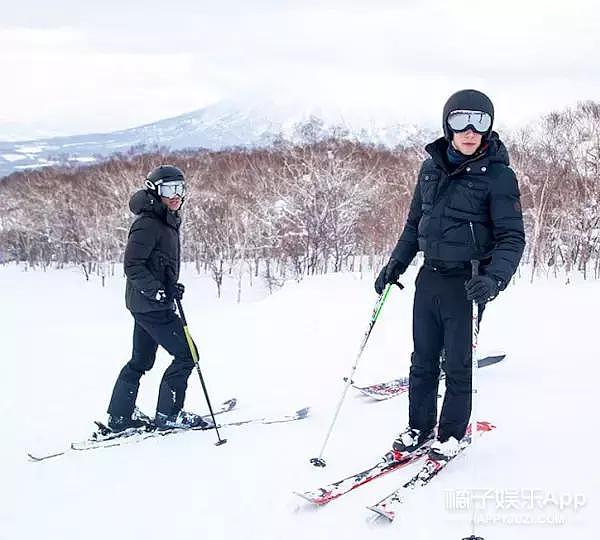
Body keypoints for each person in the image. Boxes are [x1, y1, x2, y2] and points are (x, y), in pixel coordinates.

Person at [375, 89, 525, 458]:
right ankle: (419, 426)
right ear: (448, 126)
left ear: (489, 128)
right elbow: (415, 224)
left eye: (481, 122)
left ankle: (452, 433)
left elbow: (512, 237)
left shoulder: (499, 177)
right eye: (461, 121)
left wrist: (493, 280)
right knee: (422, 361)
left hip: (468, 282)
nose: (471, 130)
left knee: (457, 364)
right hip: (429, 278)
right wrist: (396, 263)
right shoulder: (430, 168)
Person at [107, 165, 210, 432]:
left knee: (140, 361)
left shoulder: (164, 218)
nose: (175, 195)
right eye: (168, 189)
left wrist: (169, 286)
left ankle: (120, 418)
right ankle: (169, 416)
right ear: (154, 191)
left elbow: (156, 262)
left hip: (145, 304)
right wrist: (159, 291)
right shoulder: (148, 223)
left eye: (180, 188)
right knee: (188, 355)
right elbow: (133, 265)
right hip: (152, 306)